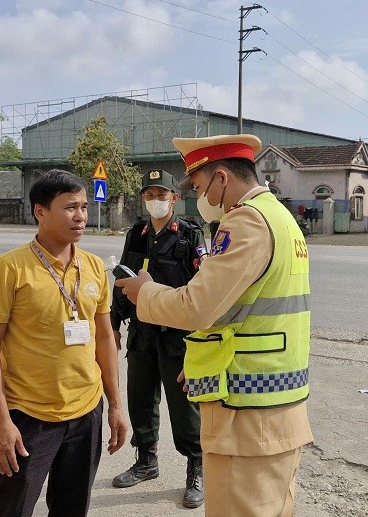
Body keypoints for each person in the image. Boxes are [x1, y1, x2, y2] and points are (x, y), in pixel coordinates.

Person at [117, 134, 313, 517]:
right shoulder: (279, 217)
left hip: (247, 410)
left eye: (201, 186)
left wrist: (146, 292)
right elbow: (240, 309)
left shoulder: (246, 221)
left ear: (221, 177)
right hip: (274, 401)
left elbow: (198, 307)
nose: (200, 197)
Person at [0, 169, 127, 517]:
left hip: (87, 411)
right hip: (30, 415)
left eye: (85, 207)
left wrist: (115, 404)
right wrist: (0, 422)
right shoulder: (8, 269)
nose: (81, 216)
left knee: (72, 508)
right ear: (40, 212)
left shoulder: (91, 266)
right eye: (70, 207)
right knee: (10, 508)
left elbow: (104, 337)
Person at [110, 169, 208, 508]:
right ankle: (146, 462)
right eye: (149, 195)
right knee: (140, 399)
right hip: (141, 333)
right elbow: (122, 277)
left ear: (174, 198)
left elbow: (202, 288)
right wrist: (113, 322)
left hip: (176, 336)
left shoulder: (190, 236)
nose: (155, 201)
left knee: (185, 408)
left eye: (161, 195)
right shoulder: (135, 234)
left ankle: (196, 470)